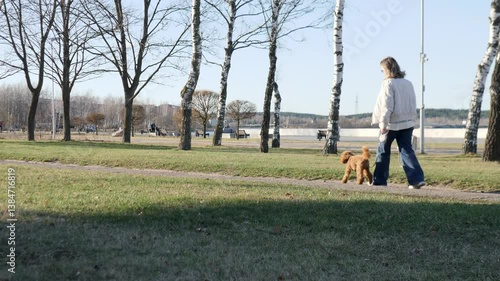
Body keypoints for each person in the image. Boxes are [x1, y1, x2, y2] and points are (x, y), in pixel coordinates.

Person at [371, 57, 426, 189]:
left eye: (382, 70)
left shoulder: (388, 83)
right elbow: (412, 103)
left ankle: (380, 180)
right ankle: (416, 179)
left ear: (387, 69)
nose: (382, 72)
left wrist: (383, 124)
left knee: (383, 151)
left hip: (391, 123)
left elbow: (387, 105)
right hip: (407, 123)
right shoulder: (408, 83)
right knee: (406, 150)